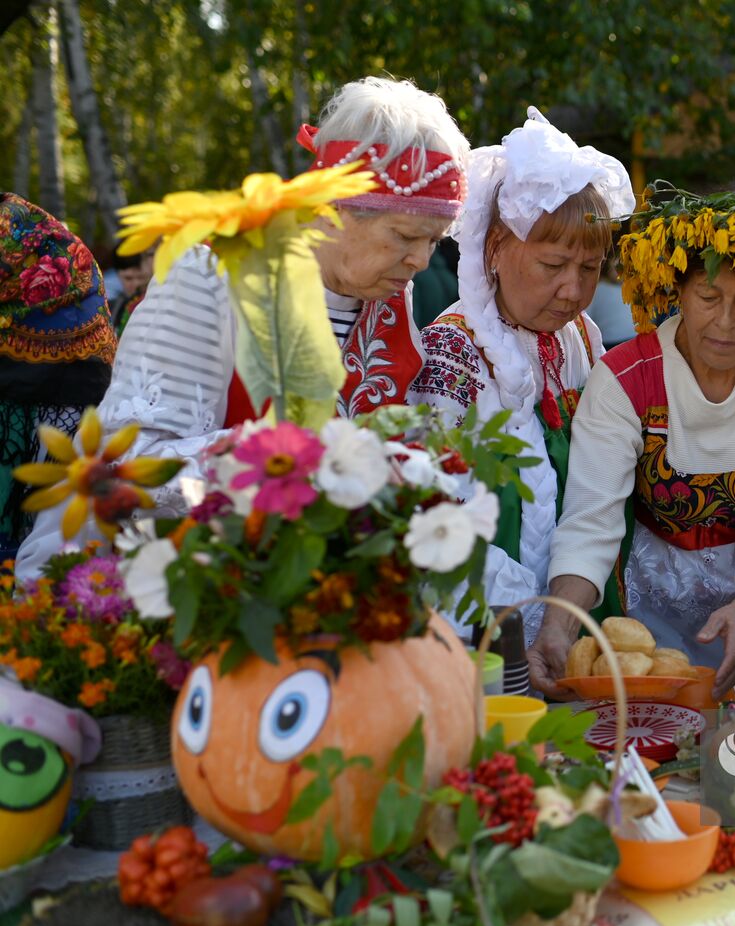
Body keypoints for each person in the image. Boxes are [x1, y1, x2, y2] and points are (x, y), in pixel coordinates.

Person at [17, 76, 469, 576]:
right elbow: (130, 463)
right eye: (407, 235)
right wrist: (294, 464)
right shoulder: (212, 278)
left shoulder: (388, 293)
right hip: (190, 593)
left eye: (434, 240)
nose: (422, 261)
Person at [528, 187, 735, 698]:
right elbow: (591, 520)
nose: (725, 323)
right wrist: (559, 624)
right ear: (677, 292)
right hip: (646, 610)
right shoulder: (623, 377)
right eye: (708, 298)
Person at [406, 108, 634, 641]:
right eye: (553, 266)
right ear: (494, 250)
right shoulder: (451, 355)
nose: (575, 292)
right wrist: (526, 623)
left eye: (590, 268)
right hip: (493, 635)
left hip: (580, 610)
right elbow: (440, 526)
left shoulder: (578, 339)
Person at [0, 193, 115, 560]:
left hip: (61, 382)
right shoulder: (24, 220)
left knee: (49, 517)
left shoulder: (12, 224)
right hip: (75, 379)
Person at [109, 248, 153, 336]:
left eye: (141, 277)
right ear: (117, 275)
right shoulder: (111, 308)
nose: (136, 284)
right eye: (128, 278)